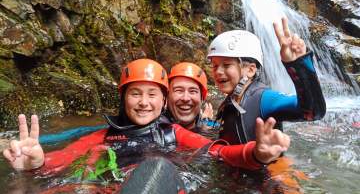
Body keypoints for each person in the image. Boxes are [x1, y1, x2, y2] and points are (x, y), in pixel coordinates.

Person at [3, 59, 290, 191]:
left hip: (164, 182)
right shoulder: (103, 136)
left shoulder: (174, 134)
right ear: (123, 99)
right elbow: (60, 161)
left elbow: (219, 152)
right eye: (135, 94)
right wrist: (36, 163)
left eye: (152, 94)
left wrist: (256, 154)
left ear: (162, 101)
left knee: (157, 167)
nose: (143, 102)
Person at [207, 17, 326, 145]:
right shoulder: (230, 102)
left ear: (251, 70)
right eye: (214, 66)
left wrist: (299, 65)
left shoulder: (263, 99)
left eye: (226, 65)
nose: (218, 71)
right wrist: (206, 123)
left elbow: (313, 112)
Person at [165, 62, 216, 131]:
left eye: (193, 91)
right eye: (178, 90)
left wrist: (206, 128)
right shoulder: (153, 127)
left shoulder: (211, 125)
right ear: (167, 96)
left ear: (201, 98)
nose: (185, 98)